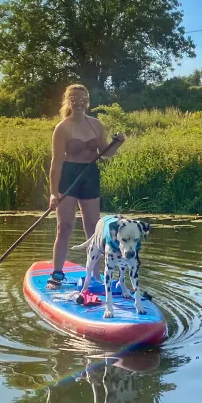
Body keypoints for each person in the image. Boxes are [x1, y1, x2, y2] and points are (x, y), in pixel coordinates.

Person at [47, 83, 124, 288]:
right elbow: (56, 163)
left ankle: (95, 277)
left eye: (82, 99)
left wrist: (117, 143)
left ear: (87, 101)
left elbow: (105, 154)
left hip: (90, 176)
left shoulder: (96, 125)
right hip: (69, 176)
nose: (78, 103)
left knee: (93, 228)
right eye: (73, 99)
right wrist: (53, 193)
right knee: (64, 227)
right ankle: (57, 275)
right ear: (68, 101)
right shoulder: (62, 128)